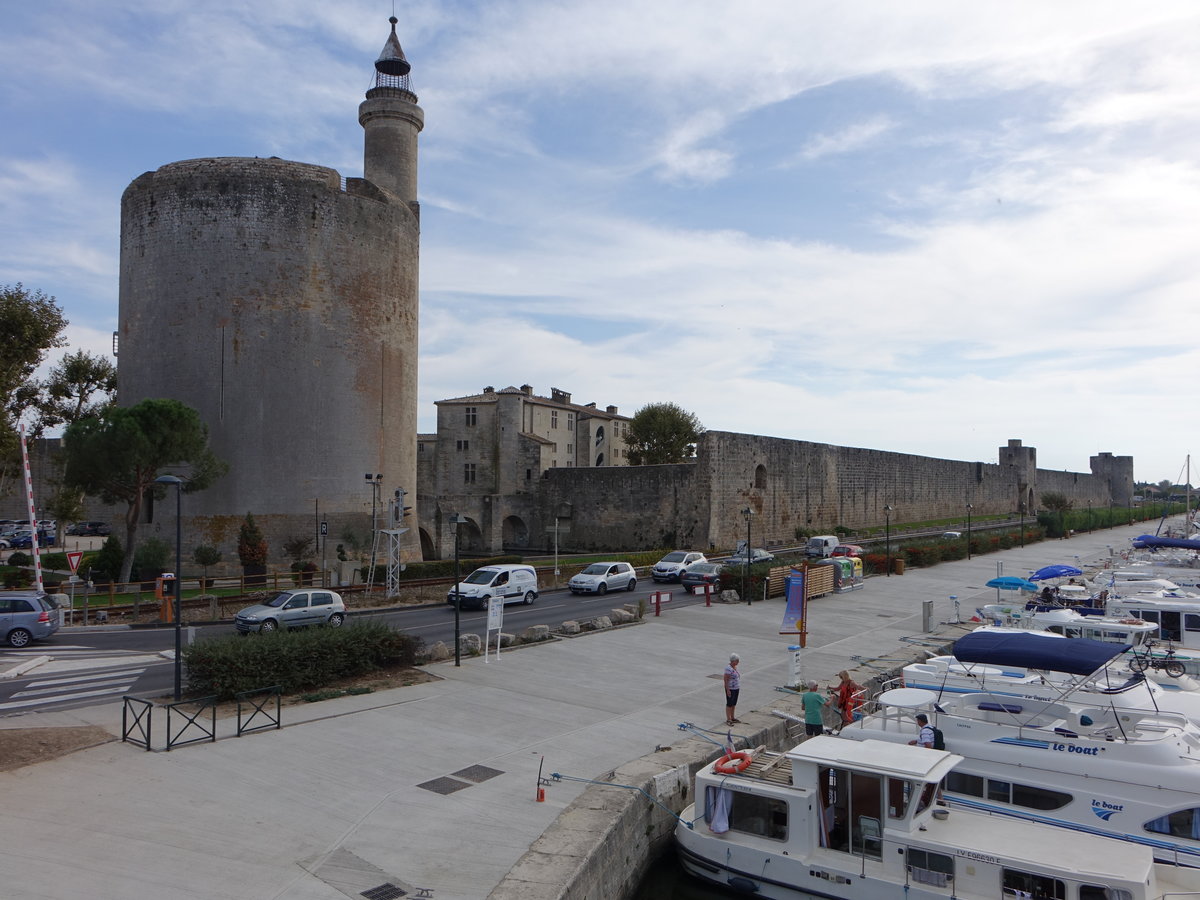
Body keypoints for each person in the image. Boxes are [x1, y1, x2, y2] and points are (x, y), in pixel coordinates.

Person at [724, 653, 741, 725]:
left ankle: (732, 717)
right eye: (737, 661)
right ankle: (728, 719)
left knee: (734, 703)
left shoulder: (734, 667)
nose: (738, 662)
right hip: (731, 688)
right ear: (733, 661)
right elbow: (726, 680)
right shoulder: (728, 668)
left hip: (736, 688)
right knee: (729, 704)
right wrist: (727, 690)